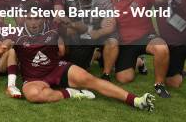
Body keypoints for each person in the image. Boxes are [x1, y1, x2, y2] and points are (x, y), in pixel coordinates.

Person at [14, 12, 155, 111]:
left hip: (57, 68)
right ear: (24, 19)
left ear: (43, 19)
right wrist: (11, 83)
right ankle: (71, 92)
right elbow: (3, 49)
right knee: (34, 95)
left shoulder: (54, 28)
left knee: (90, 79)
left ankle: (136, 101)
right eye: (30, 18)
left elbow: (81, 30)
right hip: (34, 77)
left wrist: (70, 23)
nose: (33, 22)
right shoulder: (16, 34)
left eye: (37, 18)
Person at [111, 0, 171, 98]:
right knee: (124, 78)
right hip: (126, 43)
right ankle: (140, 62)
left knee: (161, 48)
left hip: (146, 37)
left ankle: (159, 84)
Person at [62, 0, 118, 79]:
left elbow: (111, 25)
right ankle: (95, 55)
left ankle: (106, 74)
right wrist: (73, 25)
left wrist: (98, 32)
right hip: (80, 34)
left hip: (98, 33)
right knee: (78, 70)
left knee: (112, 41)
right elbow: (61, 20)